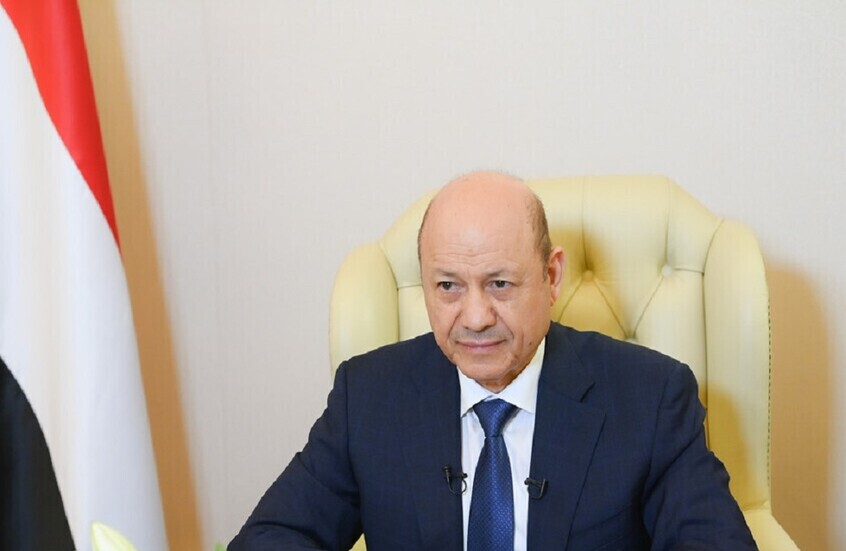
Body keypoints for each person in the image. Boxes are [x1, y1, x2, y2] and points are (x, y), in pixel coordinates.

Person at [230, 171, 757, 550]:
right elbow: (272, 536)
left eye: (500, 284)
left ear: (551, 277)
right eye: (448, 287)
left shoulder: (651, 396)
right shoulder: (368, 397)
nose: (476, 317)